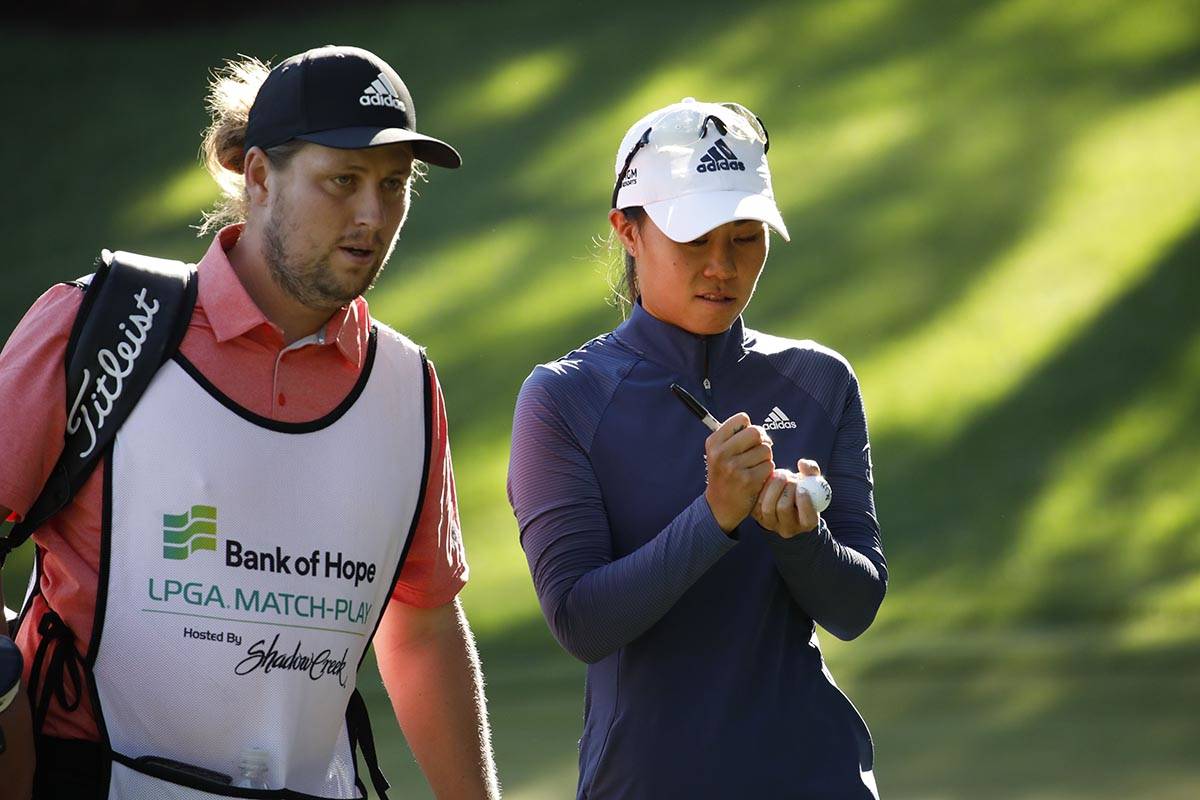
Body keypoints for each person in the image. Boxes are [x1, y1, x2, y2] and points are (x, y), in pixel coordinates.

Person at [0, 45, 499, 799]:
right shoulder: (99, 326)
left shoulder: (404, 383)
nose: (374, 214)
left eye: (394, 185)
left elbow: (422, 629)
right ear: (260, 177)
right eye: (343, 181)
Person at [508, 98, 888, 798]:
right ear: (628, 231)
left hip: (819, 779)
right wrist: (714, 516)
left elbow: (854, 607)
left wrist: (801, 539)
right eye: (695, 239)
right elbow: (580, 621)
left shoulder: (818, 380)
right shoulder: (563, 398)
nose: (723, 266)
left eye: (746, 237)